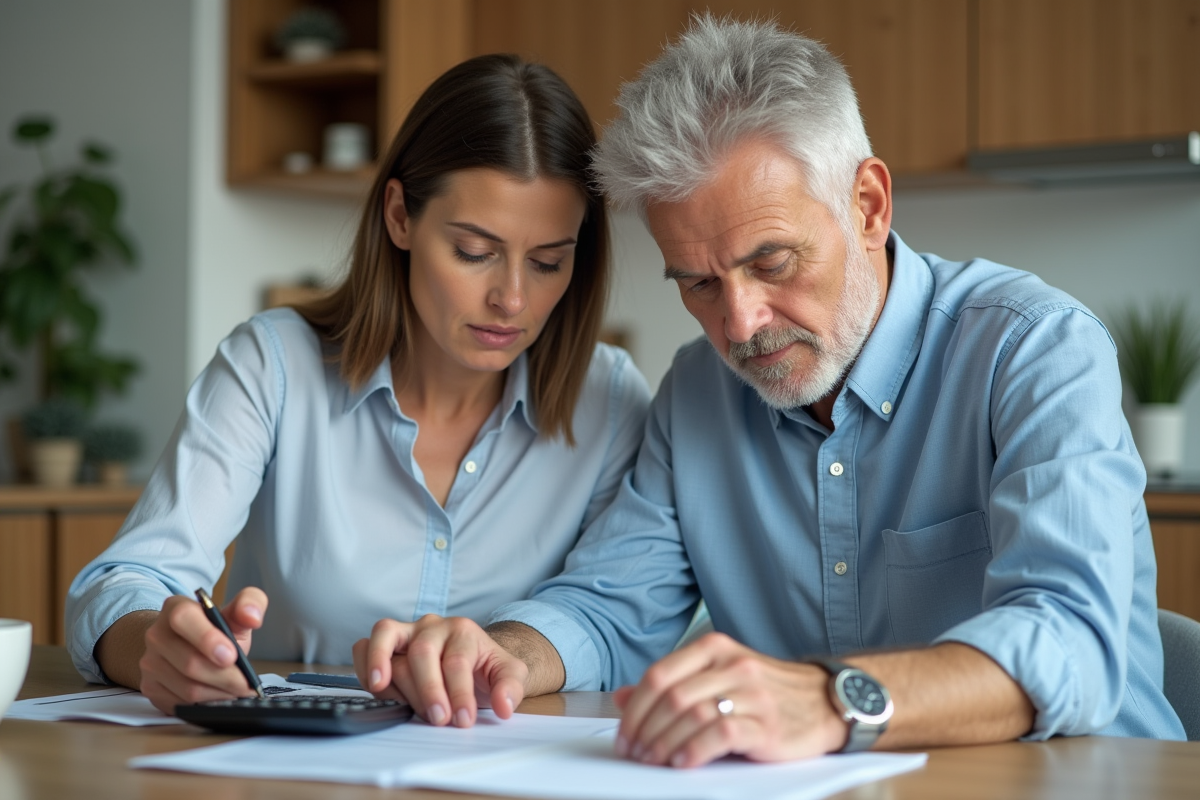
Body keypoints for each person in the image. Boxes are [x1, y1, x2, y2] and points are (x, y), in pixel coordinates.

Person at [351, 16, 1186, 764]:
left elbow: (1072, 639)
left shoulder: (1035, 349)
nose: (742, 325)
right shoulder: (697, 395)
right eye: (698, 284)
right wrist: (496, 653)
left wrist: (829, 698)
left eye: (772, 263)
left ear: (867, 204)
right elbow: (611, 608)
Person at [65, 54, 651, 718]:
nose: (512, 298)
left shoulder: (611, 402)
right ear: (400, 216)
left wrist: (502, 652)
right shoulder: (273, 365)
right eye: (474, 252)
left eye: (549, 261)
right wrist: (156, 649)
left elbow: (619, 620)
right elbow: (127, 580)